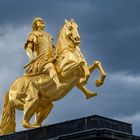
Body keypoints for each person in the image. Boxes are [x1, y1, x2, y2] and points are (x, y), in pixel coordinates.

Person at [24, 17, 65, 89]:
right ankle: (58, 84)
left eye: (42, 21)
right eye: (39, 21)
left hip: (52, 57)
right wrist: (31, 58)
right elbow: (28, 48)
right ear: (35, 24)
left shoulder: (48, 35)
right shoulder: (33, 34)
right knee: (50, 66)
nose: (42, 22)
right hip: (42, 60)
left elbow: (53, 47)